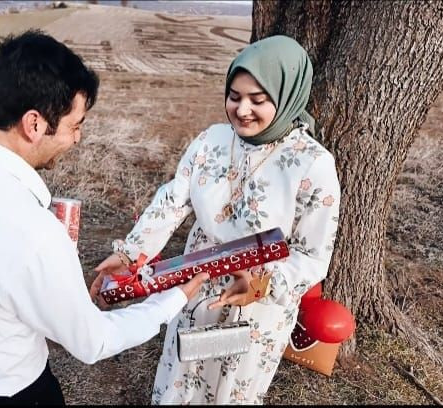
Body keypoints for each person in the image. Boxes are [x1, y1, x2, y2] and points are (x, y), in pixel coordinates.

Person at [0, 29, 208, 406]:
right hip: (4, 392)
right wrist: (171, 300)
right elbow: (93, 341)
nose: (76, 139)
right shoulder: (32, 231)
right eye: (75, 125)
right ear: (35, 124)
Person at [90, 35, 341, 404]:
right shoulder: (212, 140)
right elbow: (173, 200)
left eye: (258, 100)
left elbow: (313, 255)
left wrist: (261, 284)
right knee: (182, 379)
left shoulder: (312, 163)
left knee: (230, 391)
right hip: (195, 283)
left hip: (256, 302)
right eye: (234, 96)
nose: (242, 110)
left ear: (287, 96)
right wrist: (129, 253)